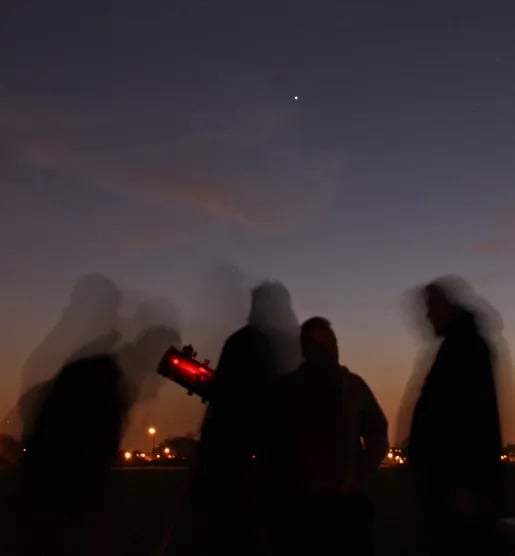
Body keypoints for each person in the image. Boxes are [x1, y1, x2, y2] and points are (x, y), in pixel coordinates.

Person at [191, 282, 301, 556]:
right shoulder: (293, 344)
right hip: (282, 470)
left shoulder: (241, 342)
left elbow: (226, 403)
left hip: (239, 468)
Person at [264, 316, 388, 556]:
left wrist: (362, 471)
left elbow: (377, 431)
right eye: (320, 347)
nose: (330, 352)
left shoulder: (353, 386)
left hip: (347, 507)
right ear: (306, 350)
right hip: (299, 509)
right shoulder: (285, 390)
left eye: (332, 344)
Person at [407, 278, 503, 555]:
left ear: (444, 307)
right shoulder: (458, 346)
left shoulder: (465, 348)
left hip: (457, 491)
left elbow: (473, 418)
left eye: (429, 308)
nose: (426, 316)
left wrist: (464, 484)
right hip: (453, 487)